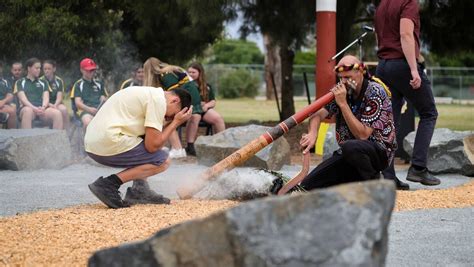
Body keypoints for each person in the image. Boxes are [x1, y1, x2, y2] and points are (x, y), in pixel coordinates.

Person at [86, 85, 192, 208]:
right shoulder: (158, 101)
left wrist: (172, 121)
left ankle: (140, 190)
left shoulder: (150, 94)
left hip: (96, 142)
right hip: (108, 140)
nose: (168, 118)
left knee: (146, 146)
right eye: (172, 115)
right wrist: (176, 122)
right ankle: (108, 184)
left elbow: (150, 139)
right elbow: (152, 146)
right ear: (175, 101)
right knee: (162, 160)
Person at [298, 55, 396, 190]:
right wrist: (312, 133)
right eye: (341, 78)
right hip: (348, 153)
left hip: (378, 152)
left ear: (360, 72)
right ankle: (355, 180)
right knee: (307, 185)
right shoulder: (343, 91)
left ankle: (374, 183)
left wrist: (343, 104)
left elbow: (363, 135)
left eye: (349, 77)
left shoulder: (375, 91)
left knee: (351, 146)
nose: (344, 82)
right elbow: (317, 114)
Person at [374, 0, 440, 188]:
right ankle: (418, 168)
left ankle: (388, 176)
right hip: (401, 64)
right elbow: (405, 34)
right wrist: (413, 69)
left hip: (383, 66)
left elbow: (380, 36)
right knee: (429, 113)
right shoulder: (408, 2)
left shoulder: (382, 4)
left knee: (390, 121)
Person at [142, 57, 204, 159]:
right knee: (168, 119)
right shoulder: (169, 71)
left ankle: (177, 149)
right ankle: (176, 148)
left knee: (168, 120)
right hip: (190, 99)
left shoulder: (165, 74)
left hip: (187, 99)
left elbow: (174, 94)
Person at [185, 62, 225, 156]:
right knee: (195, 117)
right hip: (192, 110)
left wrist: (207, 106)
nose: (190, 74)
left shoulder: (206, 86)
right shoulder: (187, 85)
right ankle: (190, 146)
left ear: (200, 73)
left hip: (204, 109)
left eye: (193, 72)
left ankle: (221, 143)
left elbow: (213, 101)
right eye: (189, 72)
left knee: (218, 118)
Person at [14, 58, 63, 129]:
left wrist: (43, 108)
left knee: (57, 113)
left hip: (41, 109)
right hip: (27, 108)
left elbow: (46, 98)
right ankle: (27, 139)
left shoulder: (43, 82)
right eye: (36, 68)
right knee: (28, 111)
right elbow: (23, 99)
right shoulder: (20, 82)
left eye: (39, 68)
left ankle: (57, 139)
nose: (39, 70)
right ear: (29, 68)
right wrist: (34, 108)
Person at [70, 58, 108, 129]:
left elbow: (104, 98)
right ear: (82, 70)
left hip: (99, 111)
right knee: (88, 123)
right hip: (85, 112)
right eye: (88, 70)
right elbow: (78, 103)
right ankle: (87, 140)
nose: (91, 72)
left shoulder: (99, 84)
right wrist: (90, 109)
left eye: (93, 70)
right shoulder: (78, 84)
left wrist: (103, 99)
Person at [41, 60, 69, 130]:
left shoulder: (59, 81)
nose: (47, 71)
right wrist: (50, 105)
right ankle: (56, 135)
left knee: (64, 109)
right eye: (45, 69)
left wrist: (55, 105)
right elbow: (42, 98)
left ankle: (66, 133)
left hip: (56, 103)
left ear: (54, 69)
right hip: (45, 105)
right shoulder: (40, 81)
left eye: (49, 69)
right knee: (56, 113)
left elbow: (59, 97)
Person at [0, 62, 17, 128]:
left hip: (3, 104)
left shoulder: (5, 81)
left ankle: (12, 134)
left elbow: (10, 95)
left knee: (12, 111)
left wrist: (3, 102)